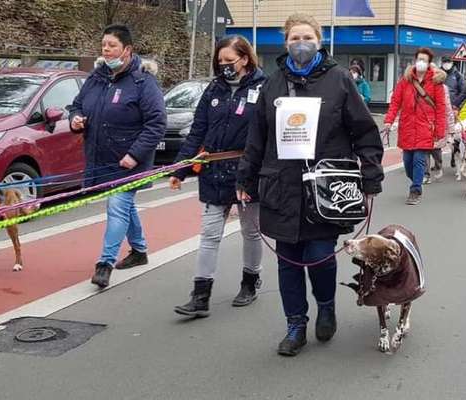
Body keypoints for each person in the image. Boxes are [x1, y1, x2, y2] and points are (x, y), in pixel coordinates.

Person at [236, 13, 384, 357]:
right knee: (287, 260)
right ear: (285, 43)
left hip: (327, 187)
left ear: (318, 40)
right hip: (280, 186)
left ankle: (326, 306)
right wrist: (246, 178)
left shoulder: (340, 80)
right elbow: (256, 137)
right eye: (293, 38)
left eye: (307, 37)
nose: (300, 44)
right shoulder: (271, 84)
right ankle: (295, 325)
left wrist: (371, 174)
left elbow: (364, 130)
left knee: (319, 256)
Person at [171, 35, 267, 318]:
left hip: (248, 172)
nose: (224, 66)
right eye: (220, 61)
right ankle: (200, 295)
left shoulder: (264, 88)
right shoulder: (214, 89)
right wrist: (180, 168)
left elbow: (269, 136)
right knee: (210, 234)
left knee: (251, 230)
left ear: (245, 59)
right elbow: (197, 130)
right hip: (214, 171)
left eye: (229, 61)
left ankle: (250, 280)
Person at [69, 24, 166, 289]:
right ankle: (139, 250)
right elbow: (77, 104)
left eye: (112, 45)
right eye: (104, 45)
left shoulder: (143, 82)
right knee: (124, 206)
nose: (106, 50)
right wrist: (75, 119)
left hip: (129, 161)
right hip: (101, 156)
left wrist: (135, 155)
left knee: (117, 206)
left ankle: (105, 263)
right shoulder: (96, 77)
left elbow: (156, 123)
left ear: (127, 50)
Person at [384, 47, 446, 204]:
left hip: (426, 127)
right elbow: (396, 102)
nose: (421, 63)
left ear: (429, 63)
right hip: (407, 127)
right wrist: (389, 120)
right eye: (419, 59)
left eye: (424, 60)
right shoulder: (405, 81)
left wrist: (440, 130)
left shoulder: (435, 82)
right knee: (408, 162)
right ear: (415, 60)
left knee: (419, 159)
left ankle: (415, 190)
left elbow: (441, 107)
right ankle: (416, 179)